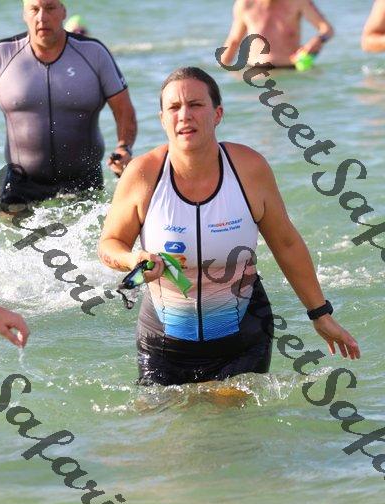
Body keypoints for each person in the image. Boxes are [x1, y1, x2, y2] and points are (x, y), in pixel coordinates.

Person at [98, 67, 360, 386]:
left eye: (196, 105)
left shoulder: (249, 168)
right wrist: (133, 260)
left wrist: (320, 314)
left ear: (217, 114)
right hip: (163, 343)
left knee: (227, 417)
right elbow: (110, 243)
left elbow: (286, 243)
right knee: (161, 418)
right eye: (174, 107)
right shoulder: (143, 173)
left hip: (243, 340)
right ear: (163, 119)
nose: (185, 115)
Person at [0, 0, 137, 213]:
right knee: (4, 233)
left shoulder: (94, 54)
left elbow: (124, 111)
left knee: (93, 234)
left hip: (85, 184)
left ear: (64, 11)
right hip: (21, 184)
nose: (42, 17)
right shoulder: (1, 55)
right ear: (24, 14)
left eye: (50, 8)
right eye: (34, 9)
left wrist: (124, 147)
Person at [220, 0, 334, 68]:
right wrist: (221, 70)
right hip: (255, 71)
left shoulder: (298, 2)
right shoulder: (245, 4)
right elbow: (234, 41)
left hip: (290, 70)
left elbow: (327, 29)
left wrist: (319, 40)